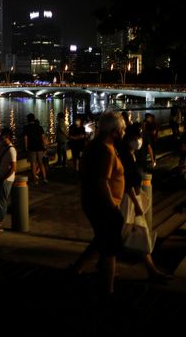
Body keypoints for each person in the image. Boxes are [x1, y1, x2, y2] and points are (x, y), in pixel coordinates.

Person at [70, 112, 126, 297]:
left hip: (91, 201)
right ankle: (108, 289)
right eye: (123, 128)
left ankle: (77, 269)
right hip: (103, 205)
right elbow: (102, 181)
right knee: (109, 247)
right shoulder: (106, 150)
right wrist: (113, 208)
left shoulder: (94, 145)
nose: (124, 131)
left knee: (100, 241)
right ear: (114, 131)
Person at [116, 123, 173, 282]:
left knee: (133, 233)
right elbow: (127, 184)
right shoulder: (126, 156)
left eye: (139, 137)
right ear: (129, 138)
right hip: (128, 199)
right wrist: (137, 203)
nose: (139, 141)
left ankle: (151, 269)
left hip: (131, 197)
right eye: (136, 138)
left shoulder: (131, 154)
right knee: (119, 235)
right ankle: (101, 267)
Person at [0, 128, 17, 232]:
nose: (1, 137)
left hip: (6, 180)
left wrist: (4, 179)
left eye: (3, 135)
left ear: (8, 137)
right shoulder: (2, 147)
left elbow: (14, 168)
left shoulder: (11, 150)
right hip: (0, 178)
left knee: (1, 201)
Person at [22, 113, 48, 184]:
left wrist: (26, 147)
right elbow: (43, 137)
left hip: (31, 148)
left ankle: (35, 180)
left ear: (28, 119)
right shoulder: (39, 127)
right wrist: (45, 146)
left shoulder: (26, 128)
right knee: (41, 163)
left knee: (33, 164)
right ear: (34, 119)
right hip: (40, 147)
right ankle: (44, 178)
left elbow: (25, 138)